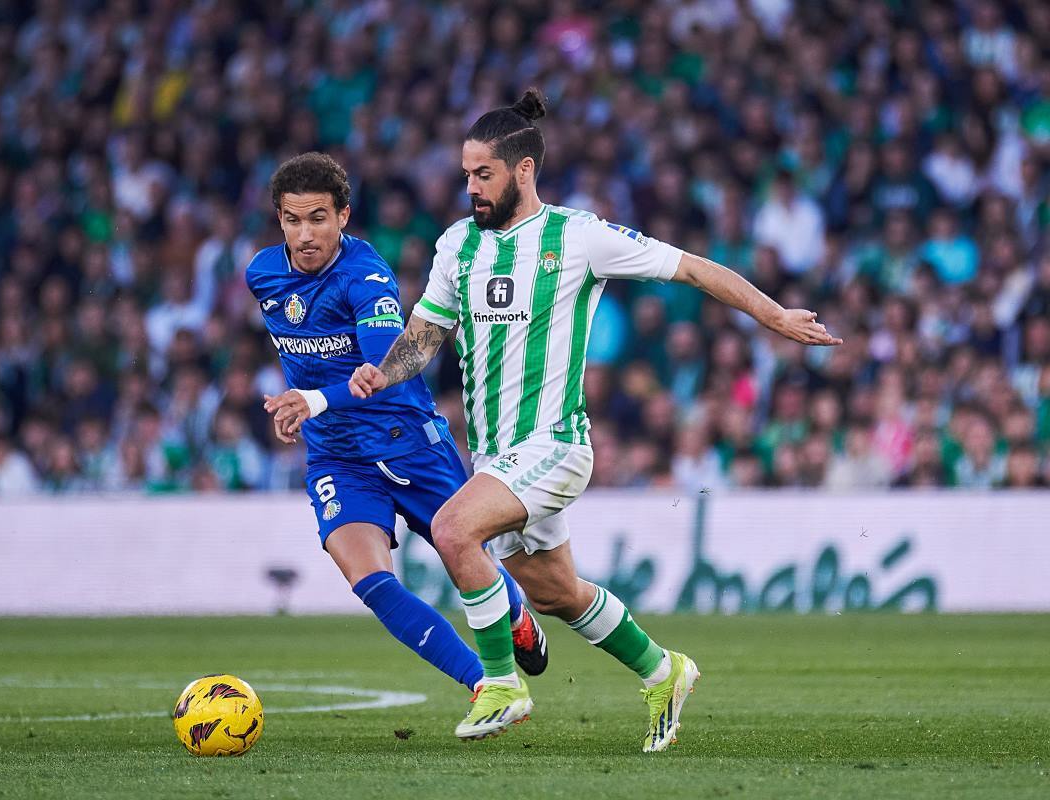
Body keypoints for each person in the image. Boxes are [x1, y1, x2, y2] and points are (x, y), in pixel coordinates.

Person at [344, 90, 842, 750]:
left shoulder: (578, 237)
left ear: (523, 170)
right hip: (496, 458)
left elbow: (692, 268)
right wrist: (385, 370)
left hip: (555, 444)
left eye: (482, 174)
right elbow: (427, 334)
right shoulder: (457, 245)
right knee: (554, 594)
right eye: (465, 174)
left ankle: (500, 684)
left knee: (452, 529)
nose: (470, 187)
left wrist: (774, 315)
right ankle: (665, 670)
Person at [250, 153, 547, 695]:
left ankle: (515, 612)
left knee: (465, 558)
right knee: (371, 581)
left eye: (318, 217)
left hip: (406, 440)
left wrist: (311, 400)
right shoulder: (263, 274)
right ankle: (487, 685)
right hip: (337, 455)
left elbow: (379, 371)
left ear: (343, 215)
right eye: (293, 219)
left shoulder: (365, 277)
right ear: (279, 219)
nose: (305, 233)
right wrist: (298, 407)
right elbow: (306, 353)